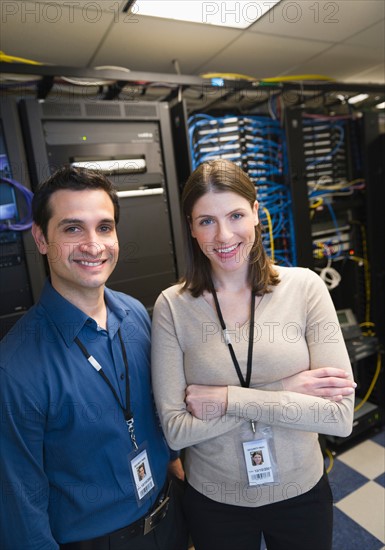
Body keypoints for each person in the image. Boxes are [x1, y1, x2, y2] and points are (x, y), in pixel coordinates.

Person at [151, 159, 356, 550]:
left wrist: (227, 399)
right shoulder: (172, 307)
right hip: (215, 500)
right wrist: (287, 389)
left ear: (257, 214)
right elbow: (176, 430)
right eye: (206, 220)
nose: (224, 235)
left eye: (236, 215)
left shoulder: (305, 289)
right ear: (192, 229)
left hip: (301, 491)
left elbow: (338, 416)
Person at [0, 166, 187, 550]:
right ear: (40, 238)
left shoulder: (136, 314)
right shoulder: (15, 368)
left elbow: (154, 410)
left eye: (104, 227)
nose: (93, 244)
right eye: (72, 229)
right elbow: (21, 507)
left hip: (169, 520)